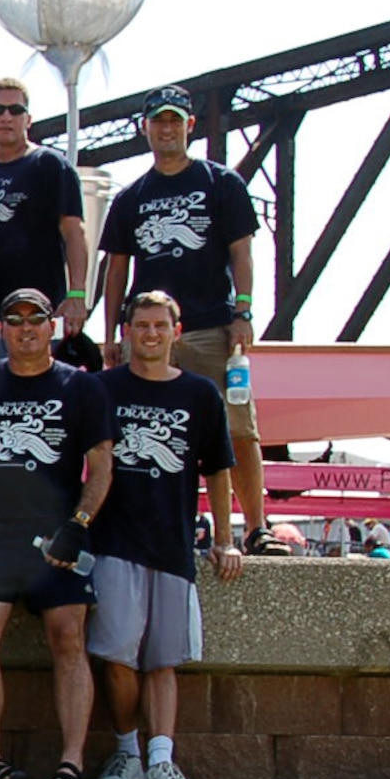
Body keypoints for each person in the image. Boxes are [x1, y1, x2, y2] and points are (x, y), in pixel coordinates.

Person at [100, 84, 283, 556]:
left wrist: (244, 309)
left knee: (238, 429)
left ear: (190, 126)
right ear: (145, 128)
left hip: (209, 327)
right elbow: (117, 267)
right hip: (149, 337)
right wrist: (111, 335)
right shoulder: (130, 197)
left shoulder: (222, 183)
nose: (166, 129)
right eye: (157, 121)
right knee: (150, 435)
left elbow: (242, 251)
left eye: (174, 120)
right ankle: (146, 527)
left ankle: (256, 526)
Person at [0, 287, 112, 779]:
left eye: (36, 319)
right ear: (1, 329)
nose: (25, 328)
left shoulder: (82, 388)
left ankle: (71, 763)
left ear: (52, 327)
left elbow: (102, 462)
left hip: (57, 533)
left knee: (68, 634)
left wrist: (80, 522)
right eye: (14, 319)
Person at [91, 291, 241, 779]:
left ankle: (162, 760)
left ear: (176, 333)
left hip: (174, 544)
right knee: (116, 657)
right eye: (141, 325)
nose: (150, 334)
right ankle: (128, 750)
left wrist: (226, 539)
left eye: (160, 325)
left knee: (163, 659)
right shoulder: (101, 388)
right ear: (127, 332)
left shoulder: (201, 394)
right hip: (112, 540)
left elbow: (219, 470)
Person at [0, 77, 88, 337]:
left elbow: (74, 232)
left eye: (15, 110)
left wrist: (76, 294)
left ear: (28, 120)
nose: (6, 116)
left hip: (41, 310)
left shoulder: (50, 164)